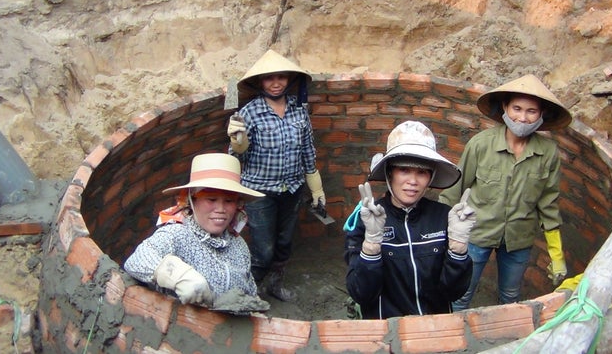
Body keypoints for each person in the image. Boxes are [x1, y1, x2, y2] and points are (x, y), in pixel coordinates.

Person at [438, 74, 572, 311]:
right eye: (517, 108)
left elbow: (548, 203)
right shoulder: (481, 144)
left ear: (541, 115)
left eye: (531, 111)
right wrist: (444, 237)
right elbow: (453, 191)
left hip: (518, 239)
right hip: (478, 233)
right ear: (504, 107)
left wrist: (556, 253)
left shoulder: (548, 152)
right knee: (461, 294)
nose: (522, 117)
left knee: (510, 296)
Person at [344, 120, 476, 319]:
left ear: (430, 178)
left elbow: (452, 293)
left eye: (422, 172)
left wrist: (458, 249)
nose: (413, 182)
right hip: (388, 331)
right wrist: (371, 245)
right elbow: (362, 294)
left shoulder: (444, 217)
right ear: (390, 173)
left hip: (434, 329)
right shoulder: (367, 220)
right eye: (404, 170)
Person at [226, 49, 326, 302]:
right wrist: (238, 143)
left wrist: (316, 190)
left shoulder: (298, 110)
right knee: (264, 250)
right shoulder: (249, 113)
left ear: (288, 80)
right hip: (259, 192)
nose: (275, 83)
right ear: (260, 82)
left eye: (281, 77)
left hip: (292, 189)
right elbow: (236, 157)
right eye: (269, 78)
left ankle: (275, 285)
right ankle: (245, 292)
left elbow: (307, 150)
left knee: (283, 243)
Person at [124, 153, 270, 313]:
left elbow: (249, 290)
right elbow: (136, 261)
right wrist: (181, 276)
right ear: (191, 200)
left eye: (229, 201)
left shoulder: (239, 246)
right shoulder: (176, 234)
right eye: (211, 199)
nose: (221, 209)